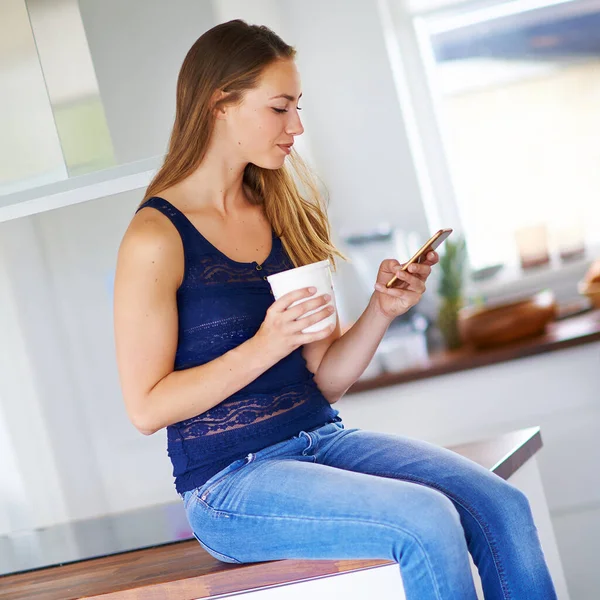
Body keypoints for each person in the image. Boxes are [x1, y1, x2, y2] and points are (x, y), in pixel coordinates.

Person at [113, 19, 557, 600]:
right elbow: (146, 408)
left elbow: (324, 381)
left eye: (298, 107)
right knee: (425, 520)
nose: (296, 126)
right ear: (221, 103)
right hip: (229, 486)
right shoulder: (155, 237)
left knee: (501, 504)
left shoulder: (285, 212)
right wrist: (265, 345)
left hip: (321, 440)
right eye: (280, 108)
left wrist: (381, 309)